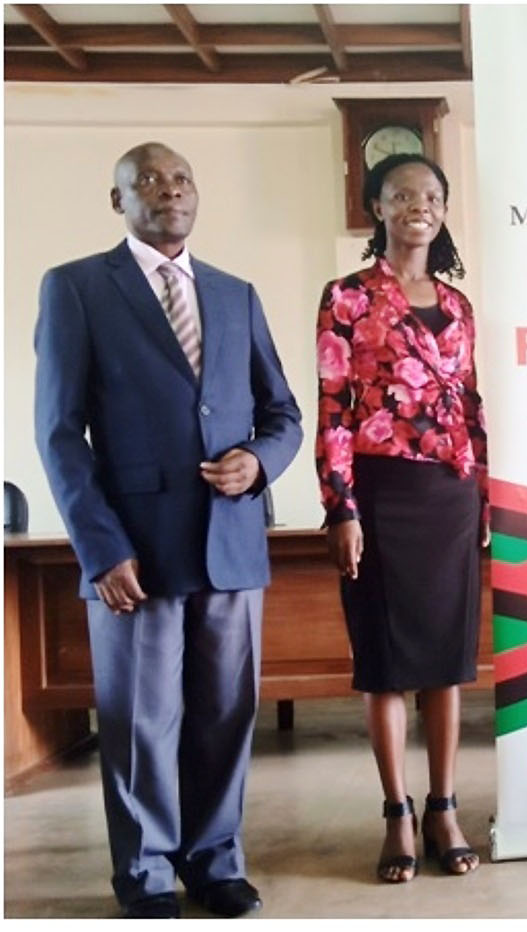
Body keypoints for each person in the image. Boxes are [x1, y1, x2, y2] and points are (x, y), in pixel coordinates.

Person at [33, 142, 303, 918]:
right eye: (146, 180)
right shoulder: (79, 288)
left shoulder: (234, 293)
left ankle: (215, 863)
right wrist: (100, 547)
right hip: (134, 551)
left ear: (197, 194)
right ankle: (146, 875)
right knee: (140, 722)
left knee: (225, 716)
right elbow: (59, 432)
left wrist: (258, 461)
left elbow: (281, 414)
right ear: (118, 200)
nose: (167, 190)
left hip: (230, 543)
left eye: (180, 178)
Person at [316, 153, 487, 882]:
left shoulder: (457, 306)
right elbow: (331, 408)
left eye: (431, 195)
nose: (418, 204)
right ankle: (397, 814)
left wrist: (484, 494)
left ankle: (445, 805)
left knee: (448, 662)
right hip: (380, 496)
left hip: (450, 496)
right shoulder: (347, 298)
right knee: (384, 664)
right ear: (377, 208)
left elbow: (472, 404)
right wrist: (340, 508)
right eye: (402, 195)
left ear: (444, 209)